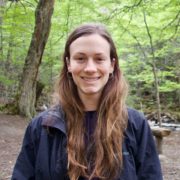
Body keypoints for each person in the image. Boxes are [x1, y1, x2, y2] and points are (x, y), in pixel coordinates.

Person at [11, 23, 163, 180]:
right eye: (80, 58)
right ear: (69, 64)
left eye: (99, 59)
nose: (90, 68)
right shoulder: (42, 127)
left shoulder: (135, 124)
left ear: (112, 65)